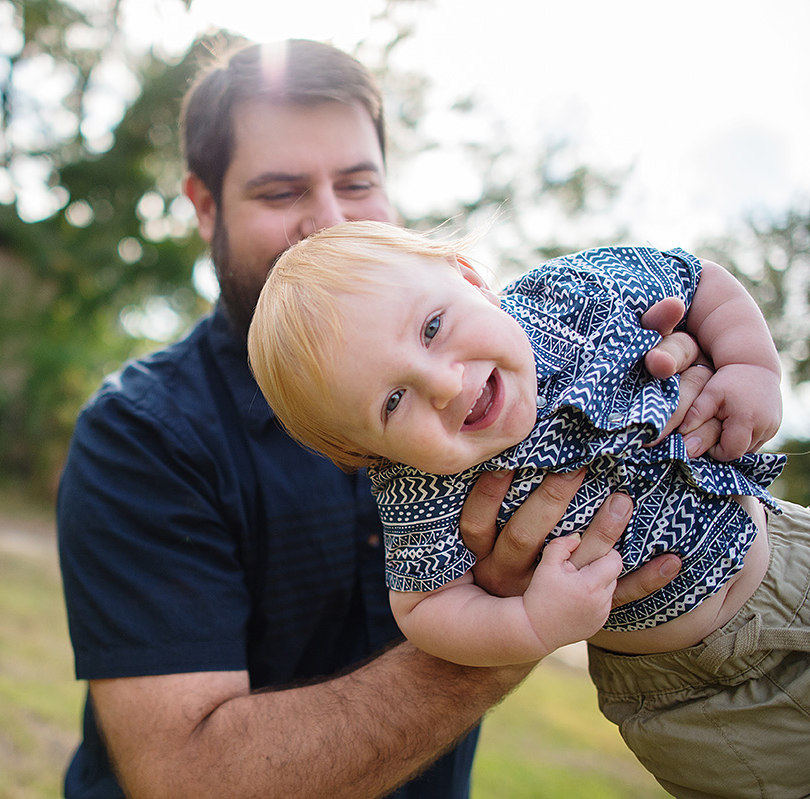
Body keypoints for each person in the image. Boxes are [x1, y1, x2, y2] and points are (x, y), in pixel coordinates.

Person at [56, 39, 708, 799]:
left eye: (358, 182)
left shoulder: (502, 363)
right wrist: (510, 619)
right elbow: (186, 778)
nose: (327, 222)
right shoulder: (143, 433)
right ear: (205, 207)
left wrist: (673, 388)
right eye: (279, 192)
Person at [248, 220, 810, 798]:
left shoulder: (566, 297)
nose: (444, 382)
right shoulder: (419, 488)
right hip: (692, 692)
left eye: (433, 327)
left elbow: (699, 279)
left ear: (469, 279)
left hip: (787, 553)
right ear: (368, 452)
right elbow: (423, 609)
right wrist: (531, 624)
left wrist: (750, 366)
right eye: (393, 401)